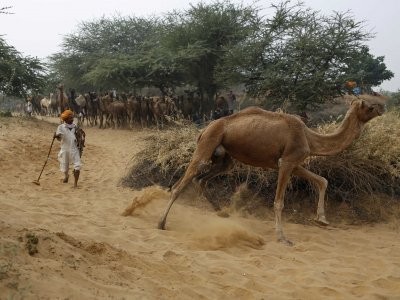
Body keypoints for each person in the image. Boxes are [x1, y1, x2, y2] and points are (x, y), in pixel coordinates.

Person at [54, 109, 82, 188]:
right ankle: (66, 176)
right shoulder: (61, 127)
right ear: (65, 119)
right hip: (65, 149)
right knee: (65, 167)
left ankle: (75, 184)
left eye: (72, 117)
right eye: (70, 118)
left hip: (74, 149)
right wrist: (56, 136)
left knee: (77, 166)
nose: (72, 119)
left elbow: (79, 137)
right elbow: (58, 137)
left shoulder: (76, 127)